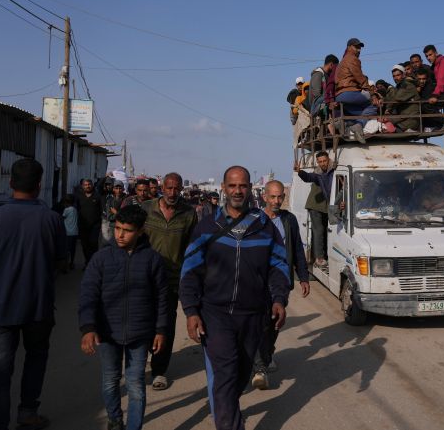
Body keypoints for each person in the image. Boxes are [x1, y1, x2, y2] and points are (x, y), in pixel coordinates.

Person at [180, 166, 290, 430]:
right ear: (223, 187)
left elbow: (279, 266)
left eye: (242, 186)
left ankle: (230, 413)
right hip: (215, 314)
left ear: (250, 188)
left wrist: (279, 298)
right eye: (232, 185)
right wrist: (191, 310)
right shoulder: (208, 227)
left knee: (240, 375)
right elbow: (190, 271)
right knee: (225, 375)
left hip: (253, 315)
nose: (237, 191)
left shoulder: (264, 226)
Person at [0, 158, 67, 430]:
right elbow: (62, 262)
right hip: (38, 308)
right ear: (39, 185)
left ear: (11, 182)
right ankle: (27, 413)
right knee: (35, 360)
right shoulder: (52, 220)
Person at [79, 205, 168, 430]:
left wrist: (160, 330)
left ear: (140, 231)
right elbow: (88, 294)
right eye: (117, 228)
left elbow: (162, 298)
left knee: (136, 383)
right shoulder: (101, 258)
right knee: (111, 380)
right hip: (107, 332)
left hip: (141, 333)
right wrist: (88, 327)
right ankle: (115, 419)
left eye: (127, 230)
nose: (120, 234)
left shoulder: (153, 260)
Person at [141, 172, 198, 390]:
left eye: (177, 189)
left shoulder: (188, 213)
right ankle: (141, 360)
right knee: (143, 320)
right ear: (162, 188)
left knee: (166, 324)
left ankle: (159, 370)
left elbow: (192, 247)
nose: (173, 193)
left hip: (172, 280)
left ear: (181, 189)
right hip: (145, 277)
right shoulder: (147, 209)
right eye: (169, 188)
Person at [252, 180, 310, 390]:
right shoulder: (253, 220)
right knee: (259, 323)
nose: (276, 201)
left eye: (280, 197)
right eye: (272, 197)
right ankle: (260, 367)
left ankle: (266, 355)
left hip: (281, 280)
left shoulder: (289, 220)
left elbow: (297, 249)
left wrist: (303, 276)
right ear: (264, 197)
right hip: (257, 281)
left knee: (275, 321)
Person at [294, 151, 334, 267]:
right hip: (315, 205)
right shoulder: (318, 173)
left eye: (324, 161)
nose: (322, 164)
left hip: (328, 206)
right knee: (319, 230)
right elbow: (308, 177)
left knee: (328, 230)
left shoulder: (334, 170)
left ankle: (326, 255)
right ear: (317, 163)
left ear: (328, 160)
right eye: (320, 162)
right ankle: (319, 258)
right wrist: (299, 171)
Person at [333, 38, 377, 143]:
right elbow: (360, 78)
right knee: (373, 105)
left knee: (361, 113)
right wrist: (373, 94)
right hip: (349, 93)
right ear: (349, 47)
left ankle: (346, 123)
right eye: (356, 47)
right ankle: (359, 125)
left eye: (360, 48)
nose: (359, 50)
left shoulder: (342, 62)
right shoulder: (352, 59)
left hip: (339, 96)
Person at [385, 64, 421, 131]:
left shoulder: (407, 85)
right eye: (394, 76)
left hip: (410, 120)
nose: (395, 78)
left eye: (398, 75)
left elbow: (396, 99)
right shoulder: (399, 86)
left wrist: (388, 109)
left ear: (403, 75)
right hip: (404, 117)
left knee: (384, 126)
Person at [76, 178, 103, 268]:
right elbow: (77, 209)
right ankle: (87, 262)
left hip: (95, 225)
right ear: (82, 186)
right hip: (83, 225)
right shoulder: (79, 197)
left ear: (92, 185)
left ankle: (93, 263)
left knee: (93, 244)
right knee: (85, 245)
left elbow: (101, 210)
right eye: (85, 185)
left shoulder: (97, 196)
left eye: (89, 184)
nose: (87, 186)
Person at [62, 194, 79, 271]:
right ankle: (71, 263)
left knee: (66, 250)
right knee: (72, 249)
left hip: (68, 233)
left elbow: (62, 217)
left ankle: (66, 265)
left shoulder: (67, 210)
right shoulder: (75, 209)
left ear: (66, 202)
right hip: (75, 232)